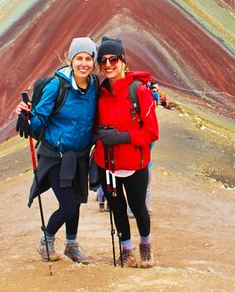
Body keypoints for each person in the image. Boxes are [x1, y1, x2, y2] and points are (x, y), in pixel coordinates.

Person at [16, 37, 98, 264]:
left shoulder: (94, 85)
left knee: (77, 202)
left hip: (79, 155)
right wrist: (27, 117)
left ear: (94, 61)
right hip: (55, 156)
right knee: (69, 205)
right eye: (79, 58)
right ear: (71, 60)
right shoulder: (57, 85)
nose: (84, 63)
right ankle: (47, 239)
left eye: (88, 58)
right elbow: (40, 117)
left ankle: (71, 245)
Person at [93, 36, 159, 268]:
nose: (108, 65)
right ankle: (126, 250)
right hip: (106, 164)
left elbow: (151, 133)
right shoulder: (99, 93)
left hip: (134, 164)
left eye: (113, 59)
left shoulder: (138, 91)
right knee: (117, 208)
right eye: (103, 61)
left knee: (138, 207)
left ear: (123, 60)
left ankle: (146, 246)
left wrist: (121, 137)